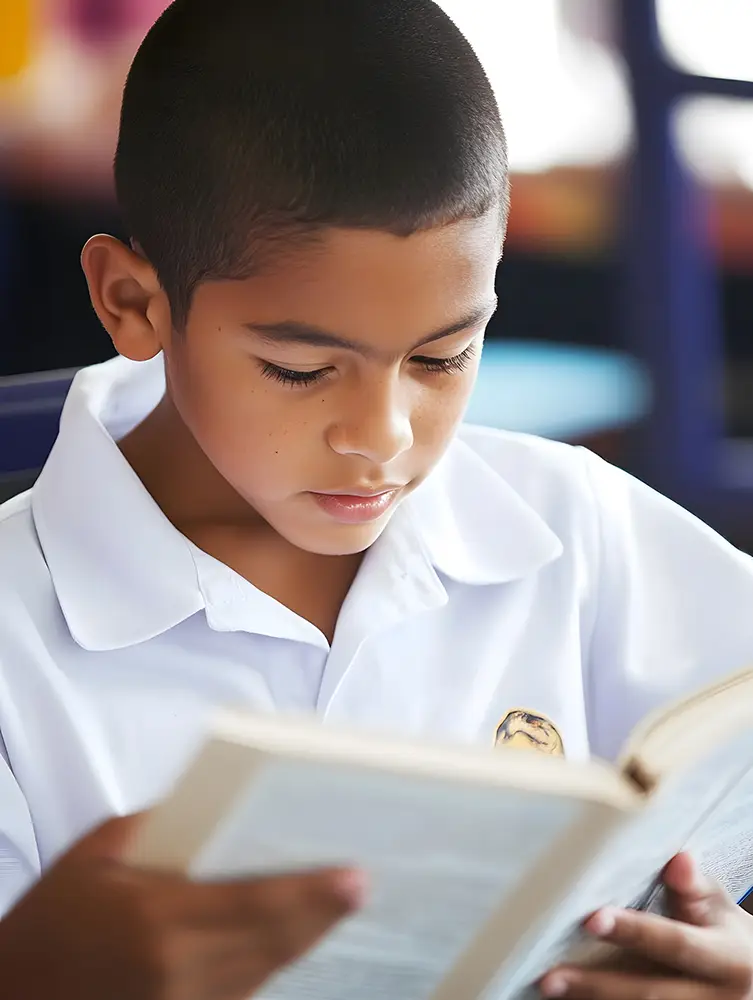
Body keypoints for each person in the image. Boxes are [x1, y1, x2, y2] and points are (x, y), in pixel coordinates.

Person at [0, 1, 752, 997]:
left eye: (442, 356)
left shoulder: (574, 528)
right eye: (302, 369)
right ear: (134, 304)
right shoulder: (18, 636)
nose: (385, 437)